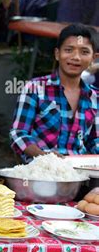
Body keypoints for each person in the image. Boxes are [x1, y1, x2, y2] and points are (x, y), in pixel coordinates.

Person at [10, 23, 99, 162]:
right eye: (69, 50)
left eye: (84, 52)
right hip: (38, 171)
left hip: (80, 173)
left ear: (94, 58)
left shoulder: (95, 98)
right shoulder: (34, 88)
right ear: (57, 54)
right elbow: (18, 134)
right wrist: (45, 157)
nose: (76, 57)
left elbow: (94, 141)